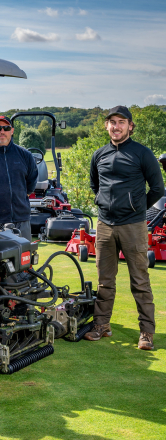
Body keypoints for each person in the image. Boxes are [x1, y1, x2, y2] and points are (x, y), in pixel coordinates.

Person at [85, 106, 164, 349]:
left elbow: (158, 189)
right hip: (105, 225)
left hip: (133, 225)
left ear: (130, 126)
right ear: (106, 126)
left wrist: (136, 209)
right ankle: (101, 325)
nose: (116, 126)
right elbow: (94, 185)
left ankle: (147, 333)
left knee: (139, 281)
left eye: (121, 122)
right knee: (104, 280)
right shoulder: (99, 155)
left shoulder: (142, 153)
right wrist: (105, 204)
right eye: (112, 122)